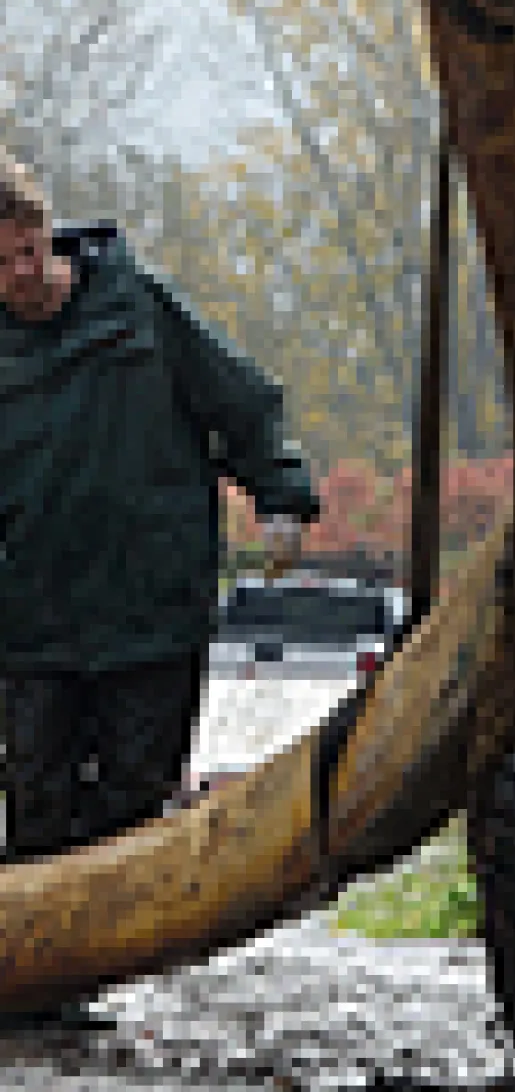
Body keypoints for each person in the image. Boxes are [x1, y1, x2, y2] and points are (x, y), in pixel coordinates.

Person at [0, 149, 320, 885]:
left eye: (28, 252)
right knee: (37, 804)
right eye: (2, 265)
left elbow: (237, 399)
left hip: (150, 604)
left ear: (46, 231)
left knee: (136, 797)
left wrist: (281, 496)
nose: (22, 276)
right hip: (34, 618)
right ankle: (41, 994)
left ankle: (88, 970)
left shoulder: (135, 306)